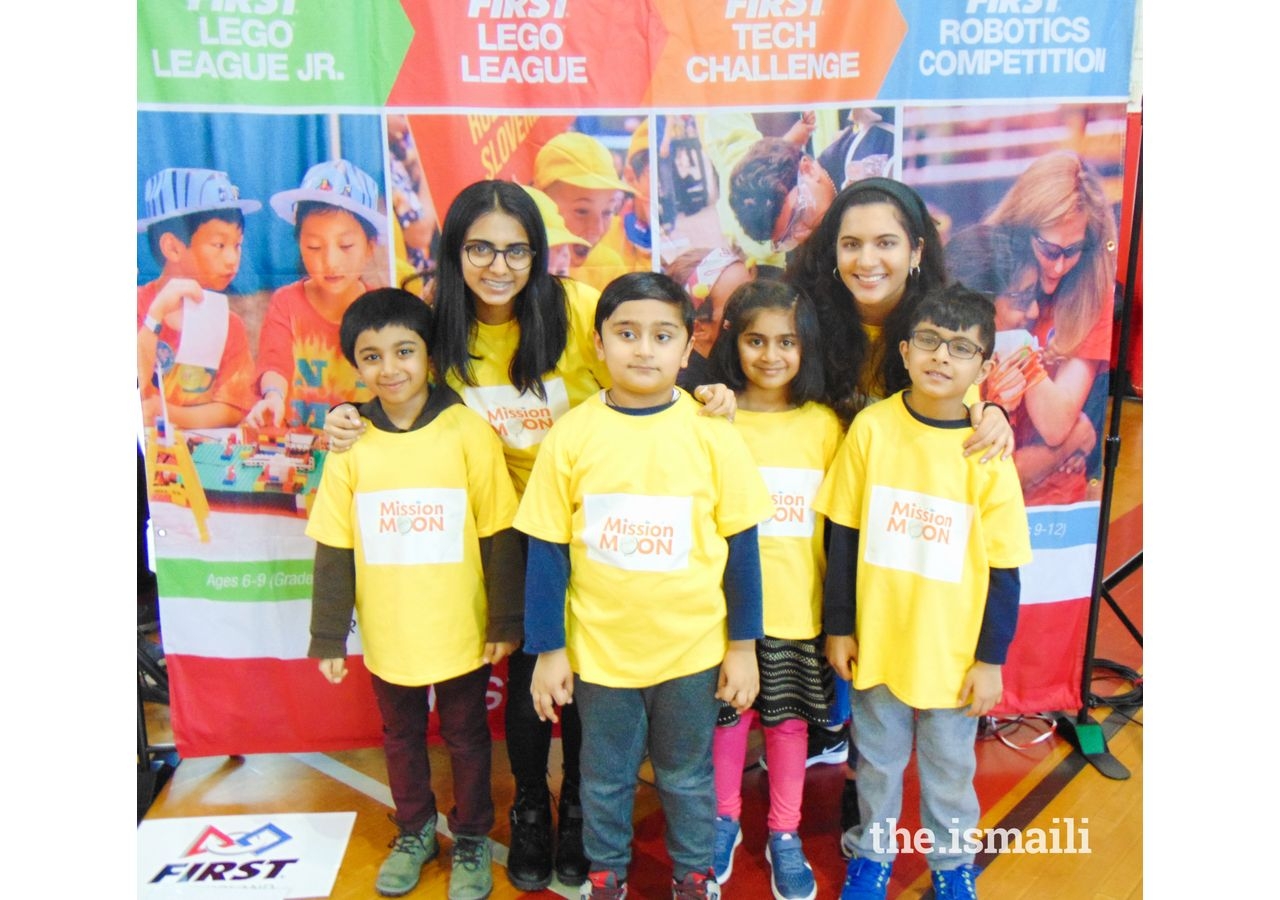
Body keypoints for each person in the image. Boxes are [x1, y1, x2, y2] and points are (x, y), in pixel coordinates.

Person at [323, 181, 738, 893]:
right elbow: (396, 389)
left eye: (516, 249)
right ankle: (535, 817)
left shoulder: (574, 308)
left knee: (585, 683)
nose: (499, 265)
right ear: (455, 252)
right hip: (499, 534)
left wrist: (711, 391)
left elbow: (654, 358)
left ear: (537, 253)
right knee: (525, 685)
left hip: (590, 524)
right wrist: (343, 416)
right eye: (480, 248)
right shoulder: (442, 327)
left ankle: (578, 808)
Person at [517, 271, 775, 900]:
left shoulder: (713, 432)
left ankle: (694, 875)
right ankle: (606, 874)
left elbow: (742, 549)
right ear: (598, 346)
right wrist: (549, 650)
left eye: (662, 336)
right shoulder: (572, 436)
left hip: (689, 654)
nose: (643, 349)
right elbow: (548, 551)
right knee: (602, 776)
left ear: (687, 349)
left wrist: (743, 648)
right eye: (626, 333)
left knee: (686, 777)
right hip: (601, 656)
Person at [785, 177, 1016, 835]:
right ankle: (832, 738)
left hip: (896, 536)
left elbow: (977, 375)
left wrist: (991, 407)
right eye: (851, 243)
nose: (868, 259)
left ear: (916, 250)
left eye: (886, 242)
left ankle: (867, 781)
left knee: (896, 702)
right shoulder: (805, 314)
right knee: (835, 644)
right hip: (812, 515)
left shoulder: (939, 320)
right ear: (831, 252)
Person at [816, 285, 1032, 900]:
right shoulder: (872, 430)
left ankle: (951, 864)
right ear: (906, 351)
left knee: (948, 770)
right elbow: (844, 532)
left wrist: (989, 661)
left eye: (961, 348)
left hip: (952, 656)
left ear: (984, 368)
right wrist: (840, 626)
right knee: (877, 765)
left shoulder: (987, 452)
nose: (942, 357)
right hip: (879, 645)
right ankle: (872, 856)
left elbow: (1006, 568)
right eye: (931, 342)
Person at [305, 288, 522, 900]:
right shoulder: (350, 446)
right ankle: (415, 829)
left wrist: (504, 619)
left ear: (430, 355)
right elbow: (335, 544)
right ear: (356, 364)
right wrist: (327, 634)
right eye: (371, 356)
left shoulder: (467, 434)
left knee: (467, 738)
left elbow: (496, 531)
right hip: (389, 632)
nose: (389, 368)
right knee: (400, 737)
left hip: (460, 630)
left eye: (404, 350)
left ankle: (473, 836)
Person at [704, 280, 842, 900]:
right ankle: (724, 818)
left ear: (806, 347)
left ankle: (784, 832)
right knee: (727, 720)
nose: (770, 355)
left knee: (788, 728)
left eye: (786, 342)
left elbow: (838, 530)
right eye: (756, 340)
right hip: (725, 616)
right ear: (735, 342)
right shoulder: (713, 417)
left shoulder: (824, 426)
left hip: (797, 610)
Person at [983, 152, 1118, 504]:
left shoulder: (1092, 289)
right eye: (1049, 249)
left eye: (1073, 251)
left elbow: (1055, 423)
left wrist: (1015, 347)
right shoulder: (989, 271)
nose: (1059, 268)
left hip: (1058, 501)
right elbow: (992, 463)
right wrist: (1073, 440)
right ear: (1024, 230)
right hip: (996, 491)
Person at [247, 159, 385, 432]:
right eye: (314, 246)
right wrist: (273, 397)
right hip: (298, 444)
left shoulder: (382, 311)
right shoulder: (286, 303)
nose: (330, 261)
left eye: (345, 245)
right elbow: (275, 362)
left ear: (369, 247)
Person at [136, 167, 260, 429]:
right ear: (172, 246)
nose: (232, 259)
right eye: (219, 245)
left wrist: (165, 412)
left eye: (237, 245)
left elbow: (233, 409)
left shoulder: (230, 325)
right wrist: (155, 316)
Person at [701, 111, 836, 270]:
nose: (803, 235)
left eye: (800, 214)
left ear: (808, 169)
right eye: (788, 238)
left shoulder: (858, 168)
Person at [533, 131, 633, 292]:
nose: (597, 229)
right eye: (582, 211)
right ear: (539, 200)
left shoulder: (609, 268)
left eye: (607, 212)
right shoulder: (511, 264)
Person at [665, 246, 754, 388]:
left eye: (754, 290)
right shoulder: (691, 391)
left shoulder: (738, 365)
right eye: (741, 301)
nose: (759, 305)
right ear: (698, 328)